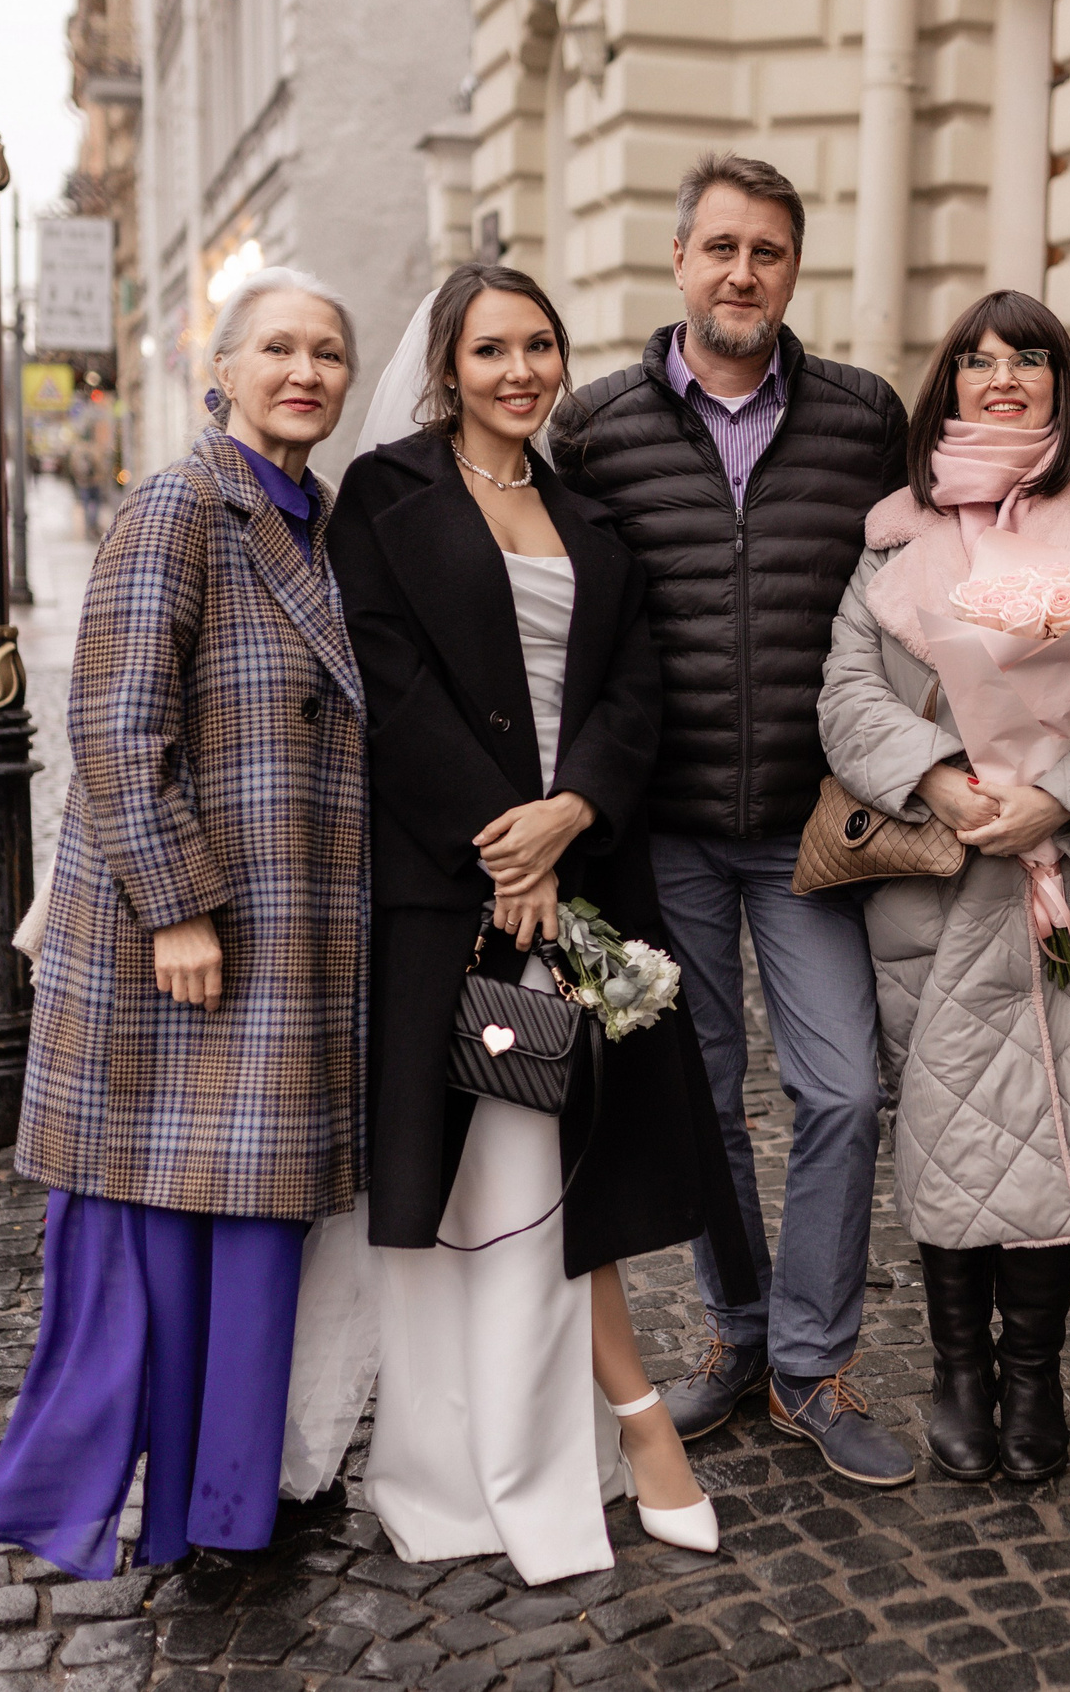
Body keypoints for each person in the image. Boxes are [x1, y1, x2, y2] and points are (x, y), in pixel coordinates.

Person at [278, 263, 759, 1583]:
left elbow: (637, 688)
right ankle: (474, 1458)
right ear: (448, 363)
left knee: (569, 1162)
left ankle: (599, 1437)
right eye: (490, 348)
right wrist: (505, 842)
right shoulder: (386, 495)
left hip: (585, 881)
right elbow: (389, 678)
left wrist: (572, 812)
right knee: (466, 1181)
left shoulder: (590, 516)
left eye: (538, 345)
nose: (519, 371)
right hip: (448, 891)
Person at [0, 267, 367, 1578]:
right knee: (180, 1232)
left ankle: (231, 1504)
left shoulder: (318, 520)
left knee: (256, 1228)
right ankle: (185, 1507)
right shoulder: (179, 503)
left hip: (295, 928)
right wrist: (177, 907)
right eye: (278, 348)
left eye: (326, 352)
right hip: (198, 933)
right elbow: (115, 723)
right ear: (224, 368)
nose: (304, 370)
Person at [550, 155, 916, 1485]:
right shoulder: (595, 428)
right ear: (679, 259)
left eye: (766, 251)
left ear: (792, 272)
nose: (741, 272)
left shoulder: (864, 417)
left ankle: (815, 1365)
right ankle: (740, 1334)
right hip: (664, 833)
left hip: (812, 831)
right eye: (720, 247)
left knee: (842, 1087)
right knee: (700, 1100)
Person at [818, 291, 1070, 1482]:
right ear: (949, 388)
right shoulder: (889, 541)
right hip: (939, 878)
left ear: (1059, 383)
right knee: (953, 1132)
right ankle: (959, 1378)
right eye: (978, 362)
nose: (1002, 378)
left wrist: (1060, 798)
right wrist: (933, 776)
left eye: (1027, 358)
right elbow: (845, 694)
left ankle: (1033, 1378)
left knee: (1063, 1128)